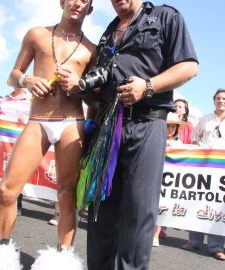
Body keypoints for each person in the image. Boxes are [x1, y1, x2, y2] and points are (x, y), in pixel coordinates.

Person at [0, 1, 96, 269]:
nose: (77, 2)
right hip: (38, 119)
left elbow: (95, 97)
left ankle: (62, 261)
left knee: (67, 196)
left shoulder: (91, 49)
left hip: (72, 122)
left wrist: (79, 87)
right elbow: (12, 75)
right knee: (6, 190)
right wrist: (27, 81)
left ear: (90, 8)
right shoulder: (36, 34)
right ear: (62, 2)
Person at [86, 1, 198, 269]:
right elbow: (99, 96)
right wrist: (82, 90)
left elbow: (189, 66)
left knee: (138, 214)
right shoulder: (108, 32)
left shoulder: (165, 16)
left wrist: (147, 87)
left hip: (147, 124)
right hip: (107, 129)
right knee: (100, 212)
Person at [181, 88, 225, 260]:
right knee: (198, 202)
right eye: (219, 98)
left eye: (224, 98)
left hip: (221, 171)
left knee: (218, 207)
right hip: (202, 168)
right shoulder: (204, 119)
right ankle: (194, 240)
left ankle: (217, 246)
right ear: (214, 101)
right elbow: (194, 139)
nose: (221, 101)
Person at [0, 89, 29, 214]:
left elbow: (36, 121)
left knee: (17, 173)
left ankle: (16, 205)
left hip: (21, 140)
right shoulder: (4, 99)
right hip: (2, 140)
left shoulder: (31, 100)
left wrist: (26, 119)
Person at [153, 112, 186, 247]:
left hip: (169, 181)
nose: (171, 129)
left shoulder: (180, 144)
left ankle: (156, 235)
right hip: (154, 174)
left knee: (162, 206)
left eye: (173, 127)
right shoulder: (154, 139)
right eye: (168, 126)